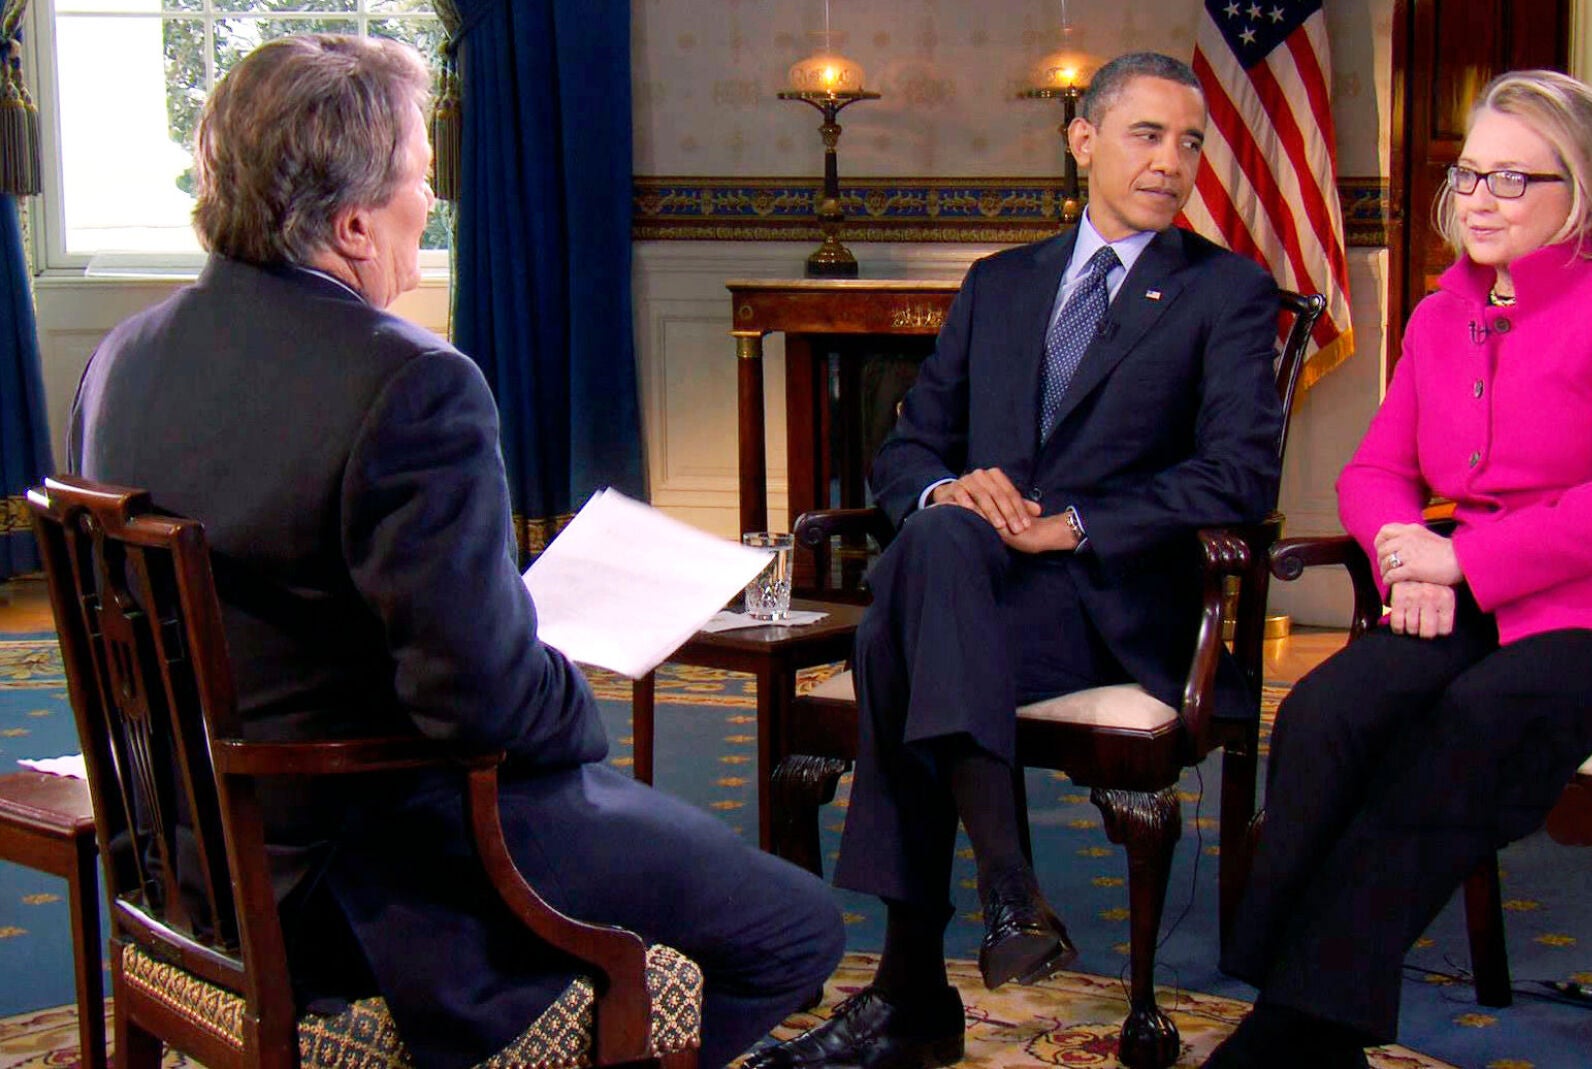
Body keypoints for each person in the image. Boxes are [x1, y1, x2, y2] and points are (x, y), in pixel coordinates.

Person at [67, 35, 842, 1069]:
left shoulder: (120, 356)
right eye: (420, 184)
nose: (429, 209)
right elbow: (476, 703)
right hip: (369, 866)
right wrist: (565, 682)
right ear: (350, 224)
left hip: (190, 857)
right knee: (793, 928)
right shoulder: (408, 382)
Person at [742, 51, 1284, 1069]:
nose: (1172, 162)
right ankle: (1002, 892)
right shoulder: (1000, 284)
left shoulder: (1225, 292)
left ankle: (913, 989)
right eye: (1147, 134)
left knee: (902, 624)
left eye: (1190, 142)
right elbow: (907, 449)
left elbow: (1239, 478)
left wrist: (1070, 522)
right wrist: (943, 489)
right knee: (936, 540)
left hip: (1109, 603)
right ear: (1083, 140)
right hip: (983, 594)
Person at [1205, 70, 1592, 1068]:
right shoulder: (1438, 314)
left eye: (1510, 179)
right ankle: (1301, 1001)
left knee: (1467, 723)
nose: (1477, 201)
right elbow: (1376, 470)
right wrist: (1405, 556)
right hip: (1484, 594)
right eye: (1467, 175)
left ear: (1581, 192)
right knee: (1327, 712)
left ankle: (1293, 1034)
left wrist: (1460, 559)